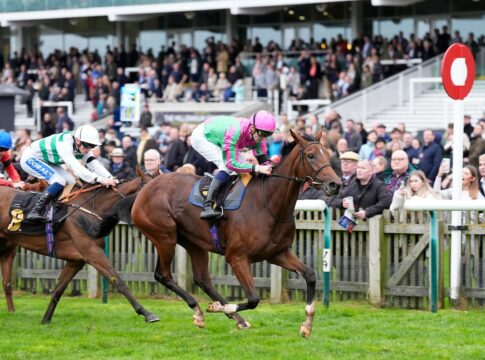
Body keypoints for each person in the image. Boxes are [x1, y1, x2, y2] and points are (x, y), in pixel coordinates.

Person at [20, 124, 119, 222]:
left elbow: (94, 164)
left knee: (71, 181)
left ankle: (54, 206)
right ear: (78, 140)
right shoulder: (65, 144)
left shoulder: (82, 144)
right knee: (59, 180)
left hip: (46, 161)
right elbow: (78, 169)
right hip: (30, 158)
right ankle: (35, 211)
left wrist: (110, 177)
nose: (89, 149)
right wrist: (101, 179)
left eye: (92, 146)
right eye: (88, 145)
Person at [191, 110, 275, 220]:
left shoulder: (259, 135)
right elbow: (231, 164)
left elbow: (263, 161)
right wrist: (258, 168)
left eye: (268, 135)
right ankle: (208, 206)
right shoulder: (235, 131)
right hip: (203, 137)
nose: (263, 138)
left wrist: (270, 168)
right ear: (252, 127)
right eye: (262, 134)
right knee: (226, 166)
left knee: (245, 167)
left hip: (221, 137)